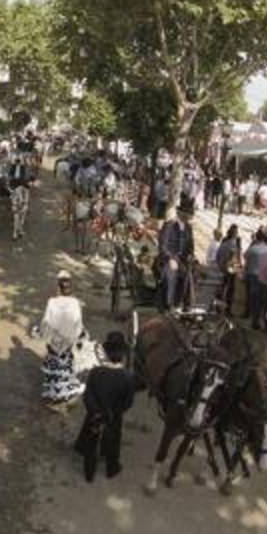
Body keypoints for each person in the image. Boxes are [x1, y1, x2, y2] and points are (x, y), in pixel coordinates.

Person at [73, 344, 141, 482]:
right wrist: (116, 412)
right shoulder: (128, 377)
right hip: (114, 416)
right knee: (113, 441)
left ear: (106, 355)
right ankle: (111, 468)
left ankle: (89, 474)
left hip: (95, 414)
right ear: (122, 356)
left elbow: (87, 396)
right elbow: (128, 402)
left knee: (91, 442)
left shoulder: (96, 372)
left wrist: (95, 411)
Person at [38, 270, 85, 409]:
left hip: (54, 342)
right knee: (66, 368)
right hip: (68, 343)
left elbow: (46, 322)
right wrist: (76, 338)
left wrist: (46, 337)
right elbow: (78, 324)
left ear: (58, 287)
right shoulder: (75, 303)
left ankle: (53, 396)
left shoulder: (52, 302)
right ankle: (64, 396)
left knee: (54, 368)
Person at [157, 204, 196, 311]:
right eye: (186, 214)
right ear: (180, 213)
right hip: (168, 259)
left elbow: (191, 247)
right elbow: (162, 246)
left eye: (189, 215)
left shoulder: (188, 228)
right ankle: (170, 304)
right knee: (172, 273)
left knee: (189, 274)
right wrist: (170, 258)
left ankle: (184, 304)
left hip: (182, 260)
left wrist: (191, 255)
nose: (188, 217)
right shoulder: (169, 225)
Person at [244, 230, 267, 328]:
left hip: (252, 274)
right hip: (262, 276)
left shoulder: (253, 248)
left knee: (251, 297)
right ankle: (255, 318)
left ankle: (248, 314)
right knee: (258, 299)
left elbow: (245, 256)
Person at [215, 225, 242, 313]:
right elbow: (234, 260)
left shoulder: (223, 244)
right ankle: (227, 309)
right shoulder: (233, 245)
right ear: (235, 234)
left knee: (221, 289)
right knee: (230, 291)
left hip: (221, 269)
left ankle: (218, 307)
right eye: (237, 232)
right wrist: (237, 269)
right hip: (230, 271)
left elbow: (217, 257)